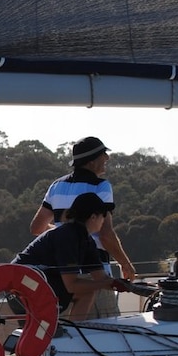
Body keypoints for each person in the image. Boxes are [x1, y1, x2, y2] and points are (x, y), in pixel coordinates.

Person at [29, 136, 136, 317]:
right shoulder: (101, 187)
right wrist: (126, 264)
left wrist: (64, 234)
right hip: (94, 273)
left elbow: (37, 227)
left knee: (66, 336)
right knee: (108, 333)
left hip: (59, 274)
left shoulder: (57, 186)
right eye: (104, 154)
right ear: (92, 161)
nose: (107, 159)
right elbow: (106, 235)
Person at [15, 192, 126, 321]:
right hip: (24, 284)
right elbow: (72, 285)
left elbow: (101, 277)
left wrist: (122, 284)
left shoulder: (86, 239)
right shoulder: (68, 236)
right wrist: (106, 283)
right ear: (93, 217)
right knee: (85, 290)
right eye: (104, 216)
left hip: (42, 281)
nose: (104, 221)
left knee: (87, 293)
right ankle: (71, 331)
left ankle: (74, 331)